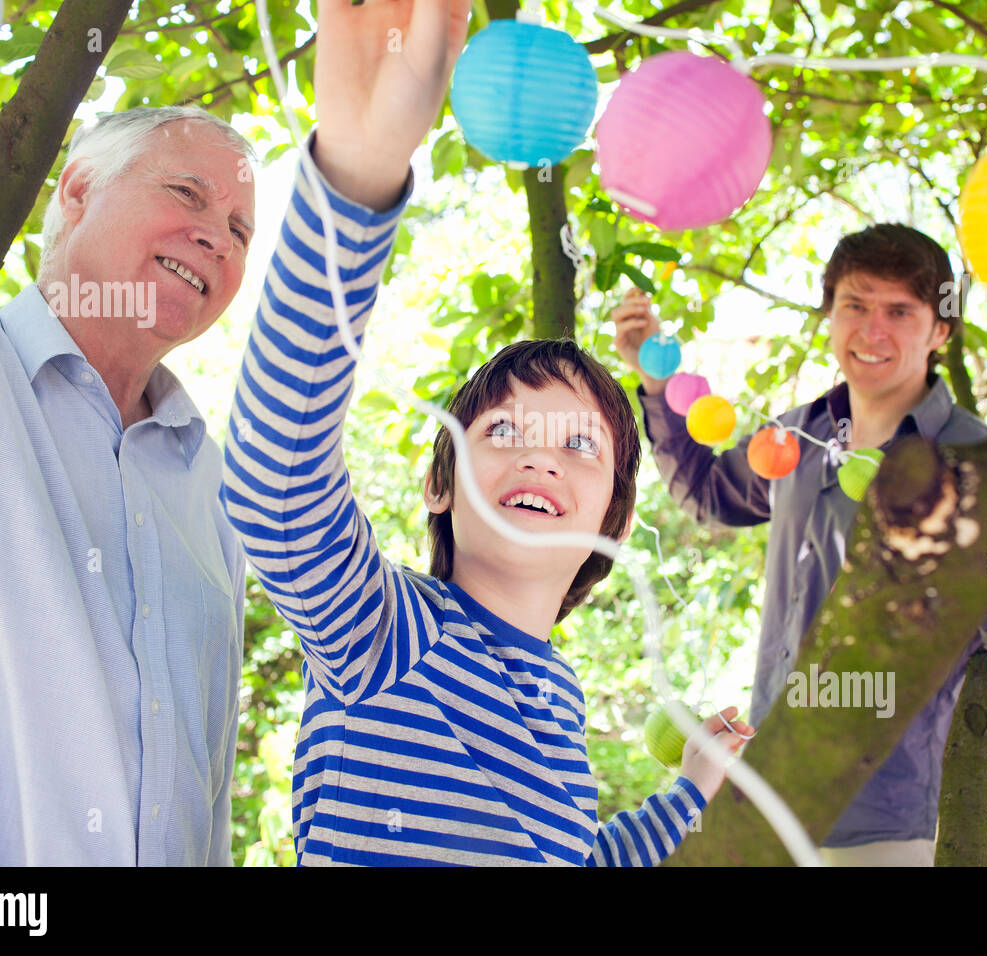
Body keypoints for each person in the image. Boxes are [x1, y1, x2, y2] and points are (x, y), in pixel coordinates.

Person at [219, 0, 750, 866]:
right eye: (503, 430)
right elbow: (273, 483)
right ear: (440, 483)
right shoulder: (386, 632)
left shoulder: (557, 696)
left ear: (611, 527)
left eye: (582, 445)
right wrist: (356, 177)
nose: (542, 451)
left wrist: (690, 792)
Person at [612, 223, 987, 865]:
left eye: (900, 311)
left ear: (940, 331)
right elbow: (709, 493)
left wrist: (972, 575)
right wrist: (655, 385)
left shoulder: (985, 464)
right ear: (830, 315)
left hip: (888, 823)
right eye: (855, 304)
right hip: (770, 790)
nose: (872, 331)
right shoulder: (796, 437)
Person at [0, 0, 254, 864]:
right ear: (78, 188)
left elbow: (205, 791)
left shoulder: (216, 494)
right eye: (186, 192)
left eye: (241, 231)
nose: (216, 234)